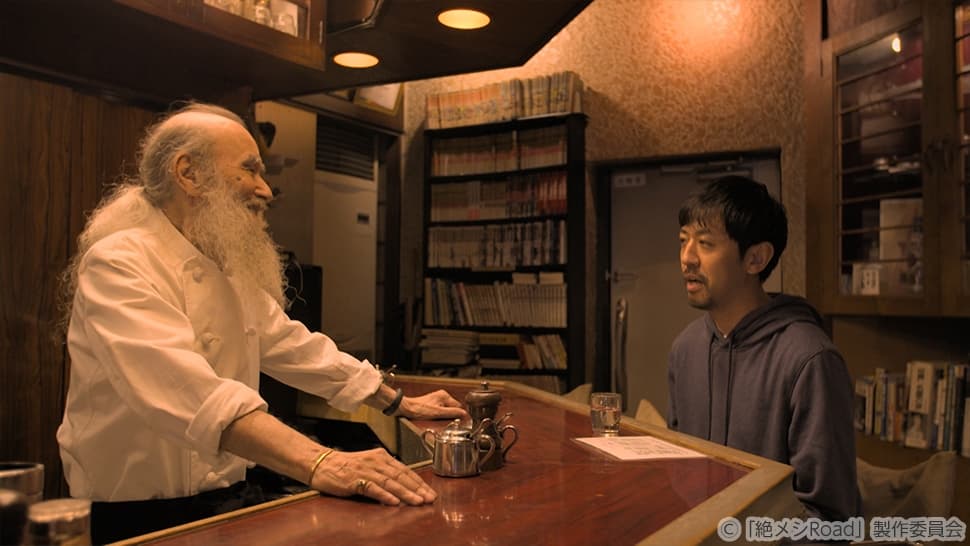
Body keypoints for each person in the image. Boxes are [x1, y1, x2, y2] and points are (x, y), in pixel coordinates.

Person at [56, 102, 468, 543]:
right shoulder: (118, 262)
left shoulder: (224, 267)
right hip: (137, 519)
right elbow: (190, 392)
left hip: (225, 502)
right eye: (249, 169)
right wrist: (323, 462)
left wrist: (395, 400)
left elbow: (293, 345)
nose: (266, 190)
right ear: (188, 174)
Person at [666, 175, 860, 521]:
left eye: (705, 244)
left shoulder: (809, 360)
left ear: (756, 258)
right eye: (683, 241)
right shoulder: (685, 349)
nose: (687, 258)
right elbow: (681, 473)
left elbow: (829, 518)